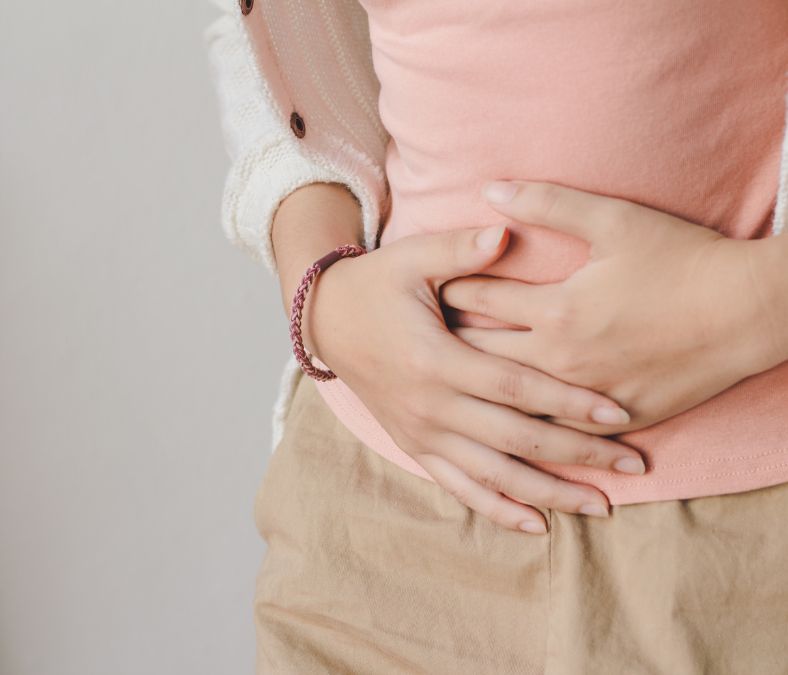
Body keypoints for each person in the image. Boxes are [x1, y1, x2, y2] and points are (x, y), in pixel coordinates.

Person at [205, 0, 788, 672]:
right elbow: (267, 35)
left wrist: (755, 302)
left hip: (742, 546)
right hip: (373, 528)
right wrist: (324, 292)